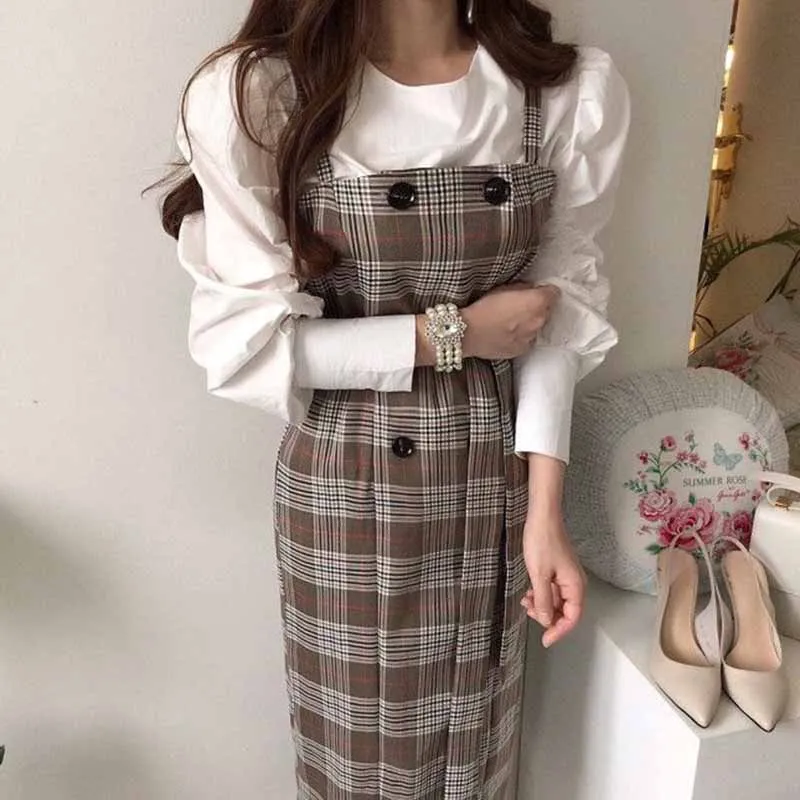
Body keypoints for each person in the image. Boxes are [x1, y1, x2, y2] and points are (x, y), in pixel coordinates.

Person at [157, 0, 630, 796]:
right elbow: (245, 349)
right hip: (346, 485)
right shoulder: (263, 94)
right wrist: (452, 335)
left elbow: (556, 312)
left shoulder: (559, 90)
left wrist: (546, 514)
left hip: (494, 480)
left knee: (479, 739)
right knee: (361, 752)